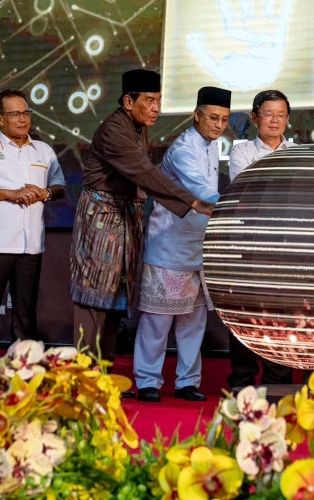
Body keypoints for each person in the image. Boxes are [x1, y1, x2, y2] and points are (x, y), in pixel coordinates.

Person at [69, 68, 212, 361]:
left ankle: (103, 378)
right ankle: (82, 379)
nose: (156, 108)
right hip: (102, 219)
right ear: (128, 101)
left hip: (125, 218)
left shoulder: (137, 126)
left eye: (159, 100)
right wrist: (192, 203)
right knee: (94, 298)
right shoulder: (114, 130)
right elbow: (143, 171)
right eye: (149, 100)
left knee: (114, 301)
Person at [133, 86, 231, 403]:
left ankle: (187, 381)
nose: (218, 125)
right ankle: (147, 381)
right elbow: (201, 192)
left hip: (197, 247)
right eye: (213, 118)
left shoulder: (212, 146)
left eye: (225, 120)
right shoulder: (183, 149)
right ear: (196, 115)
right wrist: (238, 203)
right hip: (168, 246)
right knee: (157, 322)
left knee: (193, 322)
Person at [0, 89, 66, 348]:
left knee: (25, 315)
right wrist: (9, 193)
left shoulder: (43, 150)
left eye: (26, 113)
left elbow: (59, 185)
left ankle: (24, 370)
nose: (23, 119)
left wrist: (45, 193)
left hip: (31, 247)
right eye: (15, 114)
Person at [225, 90, 296, 390]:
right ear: (255, 118)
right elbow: (245, 192)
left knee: (283, 314)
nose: (275, 120)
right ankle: (242, 378)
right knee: (245, 310)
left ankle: (278, 380)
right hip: (250, 246)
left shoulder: (298, 152)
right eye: (269, 114)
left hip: (289, 247)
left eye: (281, 115)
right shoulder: (241, 152)